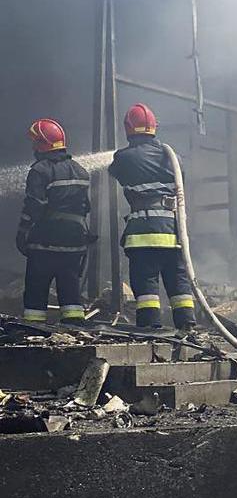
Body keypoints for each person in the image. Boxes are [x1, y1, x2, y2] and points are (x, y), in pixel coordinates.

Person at [107, 103, 196, 330]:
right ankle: (188, 327)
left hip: (143, 232)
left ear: (128, 128)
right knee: (178, 280)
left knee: (146, 281)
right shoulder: (172, 156)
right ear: (154, 127)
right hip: (173, 230)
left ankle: (151, 329)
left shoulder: (124, 157)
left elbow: (114, 170)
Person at [18, 119, 92, 324]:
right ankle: (75, 328)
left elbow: (34, 206)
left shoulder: (39, 170)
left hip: (45, 241)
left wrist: (22, 232)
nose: (33, 148)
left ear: (42, 144)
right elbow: (86, 207)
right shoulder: (81, 171)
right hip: (75, 242)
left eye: (35, 143)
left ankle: (33, 330)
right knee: (70, 287)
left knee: (36, 287)